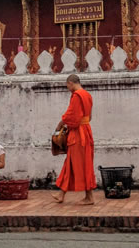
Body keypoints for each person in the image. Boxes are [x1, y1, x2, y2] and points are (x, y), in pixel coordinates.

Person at [52, 74, 96, 205]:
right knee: (72, 163)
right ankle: (61, 194)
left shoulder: (77, 96)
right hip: (86, 131)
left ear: (71, 83)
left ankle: (89, 197)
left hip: (78, 134)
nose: (67, 88)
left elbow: (73, 117)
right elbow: (89, 116)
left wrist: (60, 124)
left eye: (67, 85)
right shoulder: (87, 95)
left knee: (81, 164)